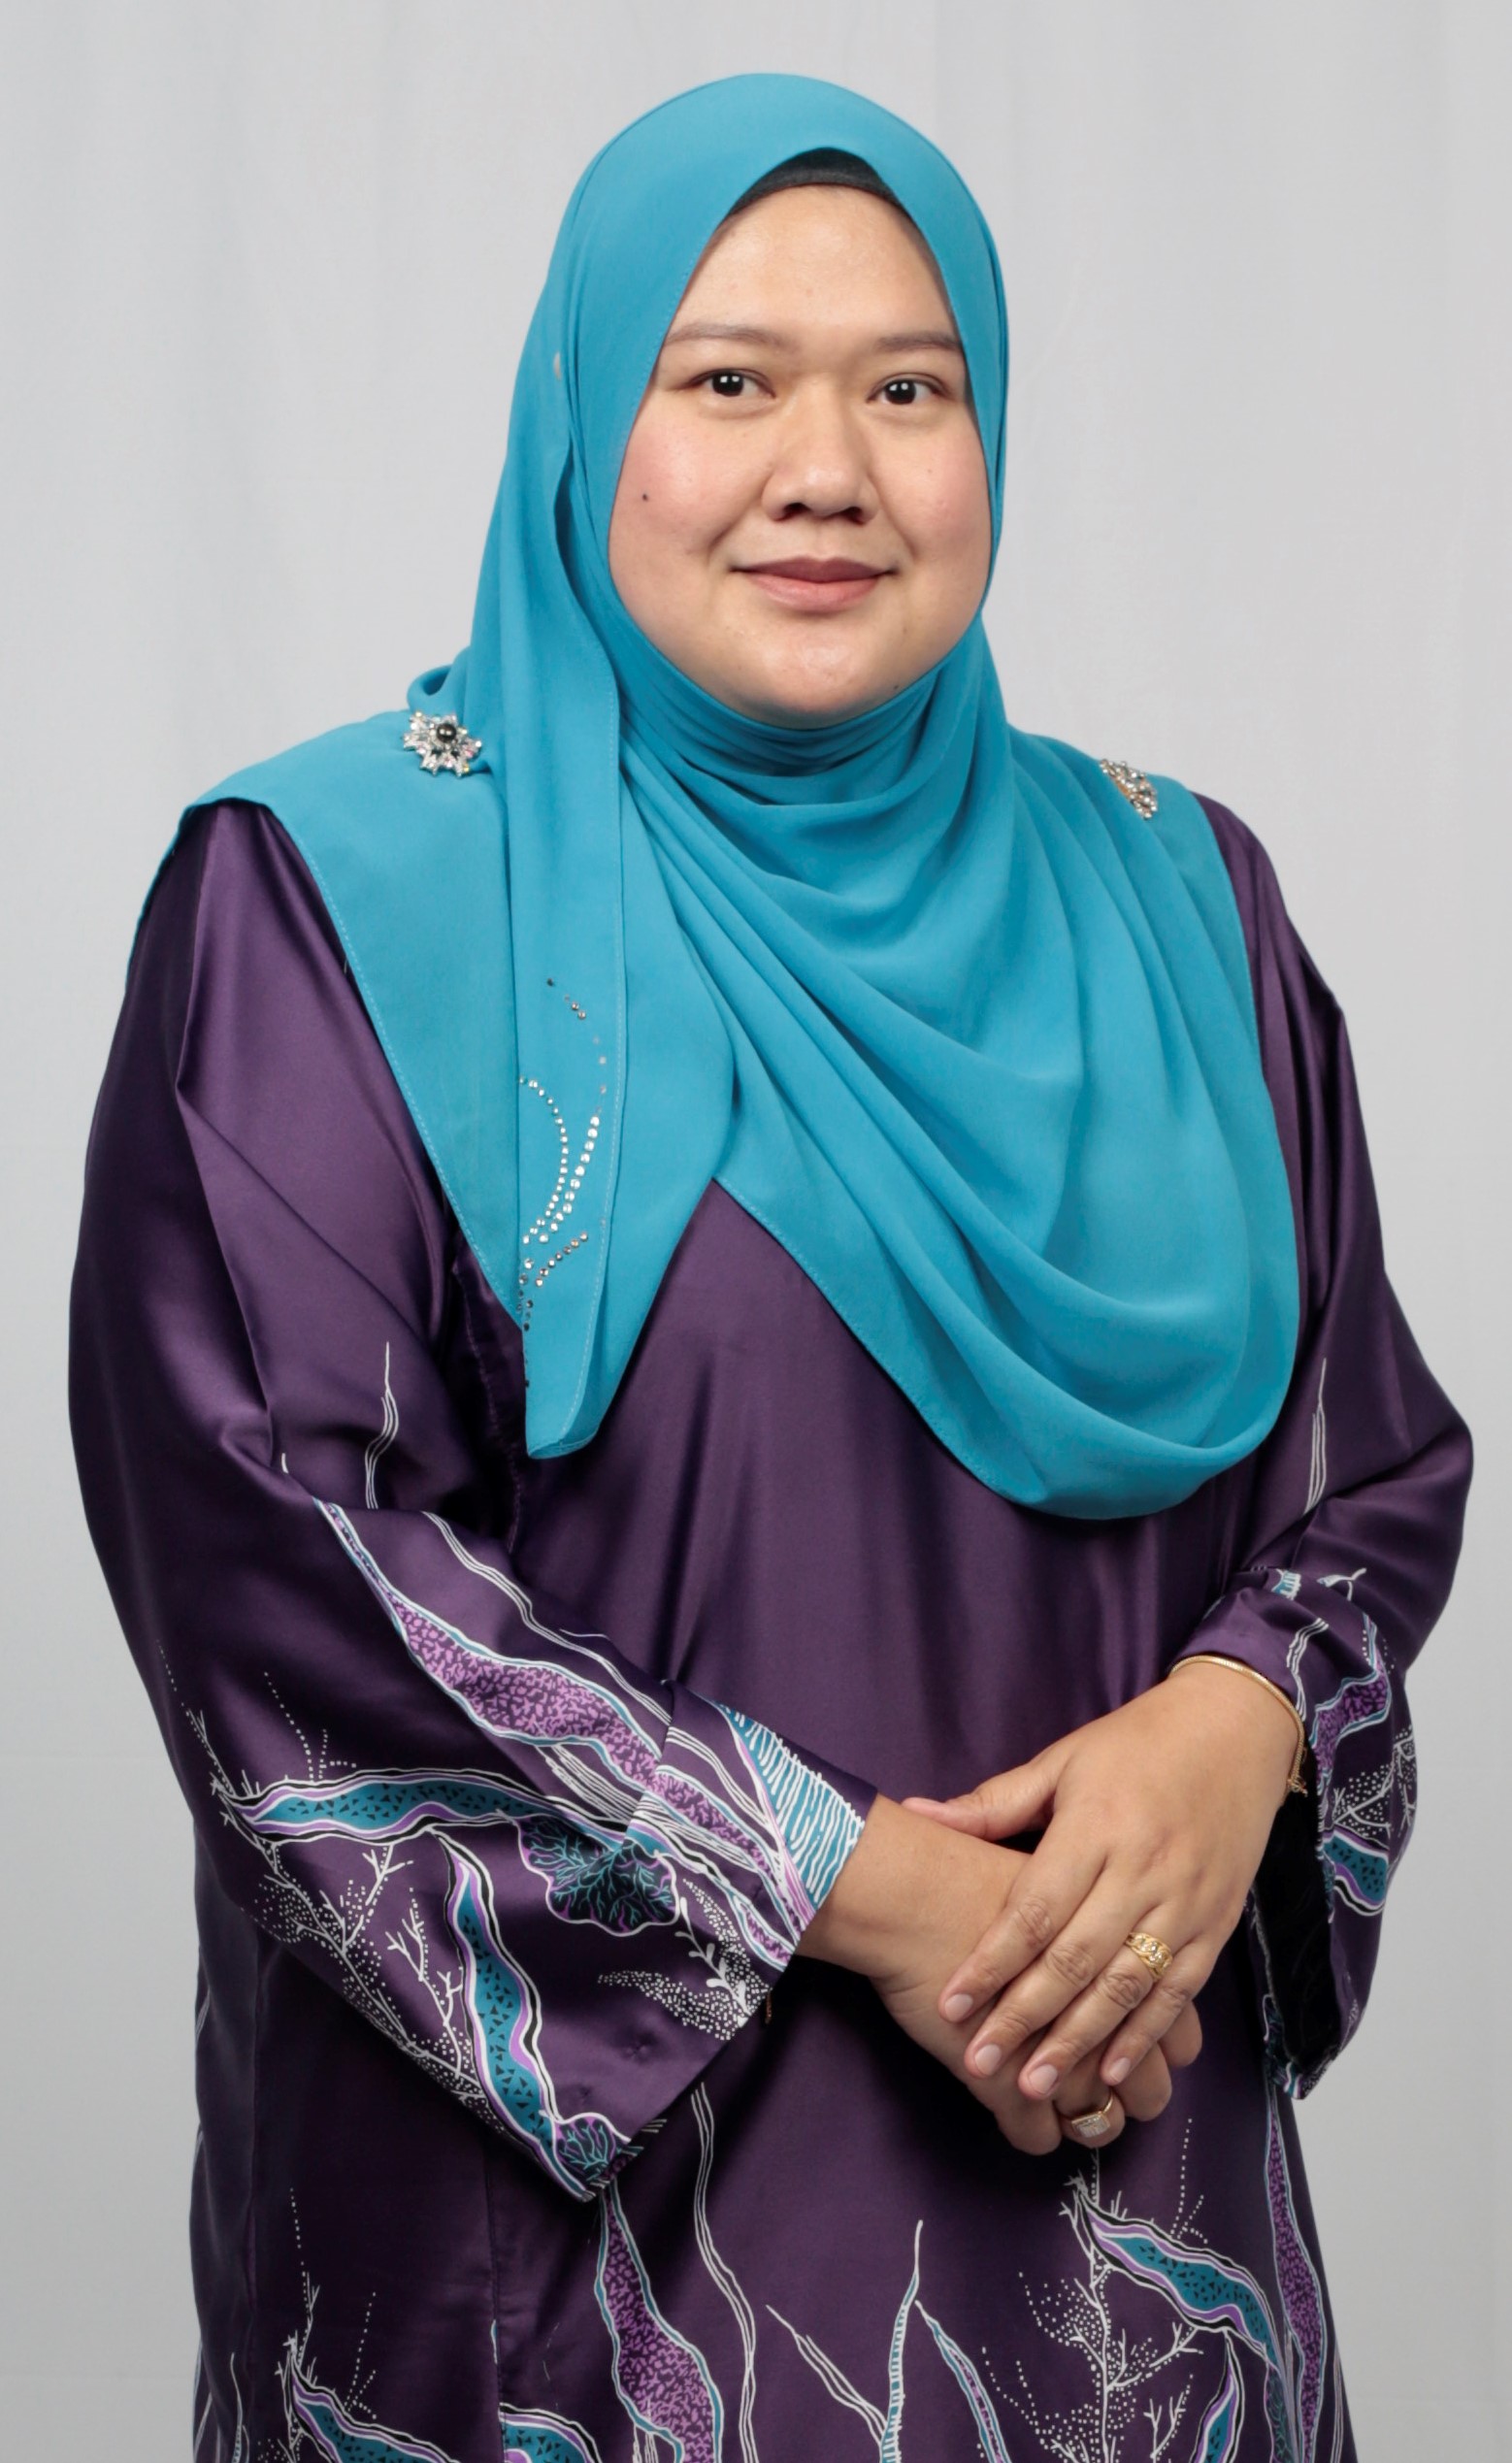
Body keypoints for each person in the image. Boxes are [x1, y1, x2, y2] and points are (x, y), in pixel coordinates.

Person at [71, 73, 1468, 2463]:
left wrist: (1237, 1722)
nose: (825, 470)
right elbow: (282, 1574)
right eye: (725, 382)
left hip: (1134, 2285)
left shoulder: (1181, 903)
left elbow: (1367, 1469)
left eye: (907, 391)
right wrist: (866, 1886)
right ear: (584, 423)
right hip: (571, 2336)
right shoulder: (330, 904)